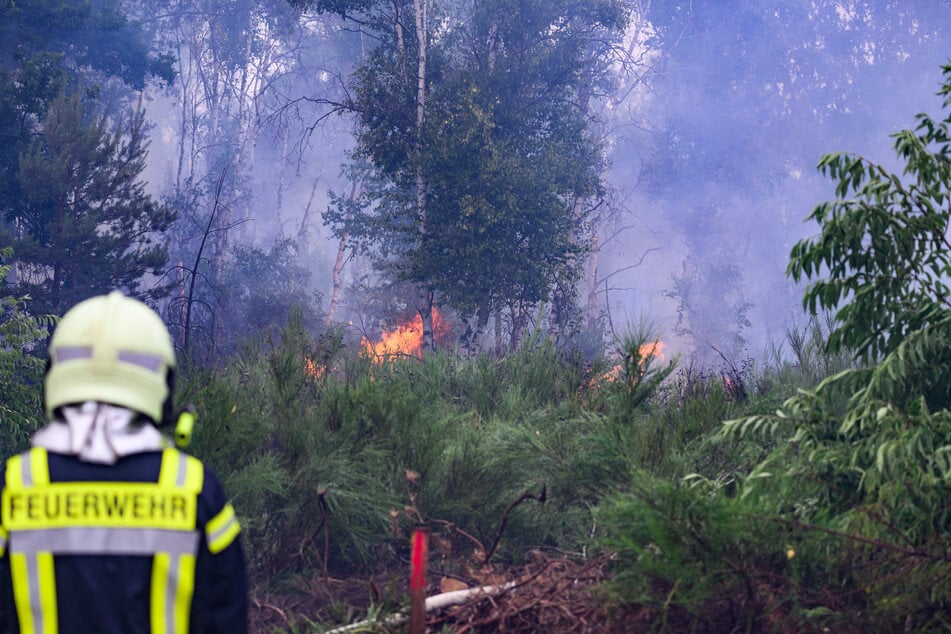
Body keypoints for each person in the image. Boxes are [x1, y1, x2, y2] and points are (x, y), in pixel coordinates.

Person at [0, 291, 248, 633]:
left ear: (53, 378)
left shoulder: (15, 487)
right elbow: (226, 618)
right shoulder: (194, 491)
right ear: (164, 385)